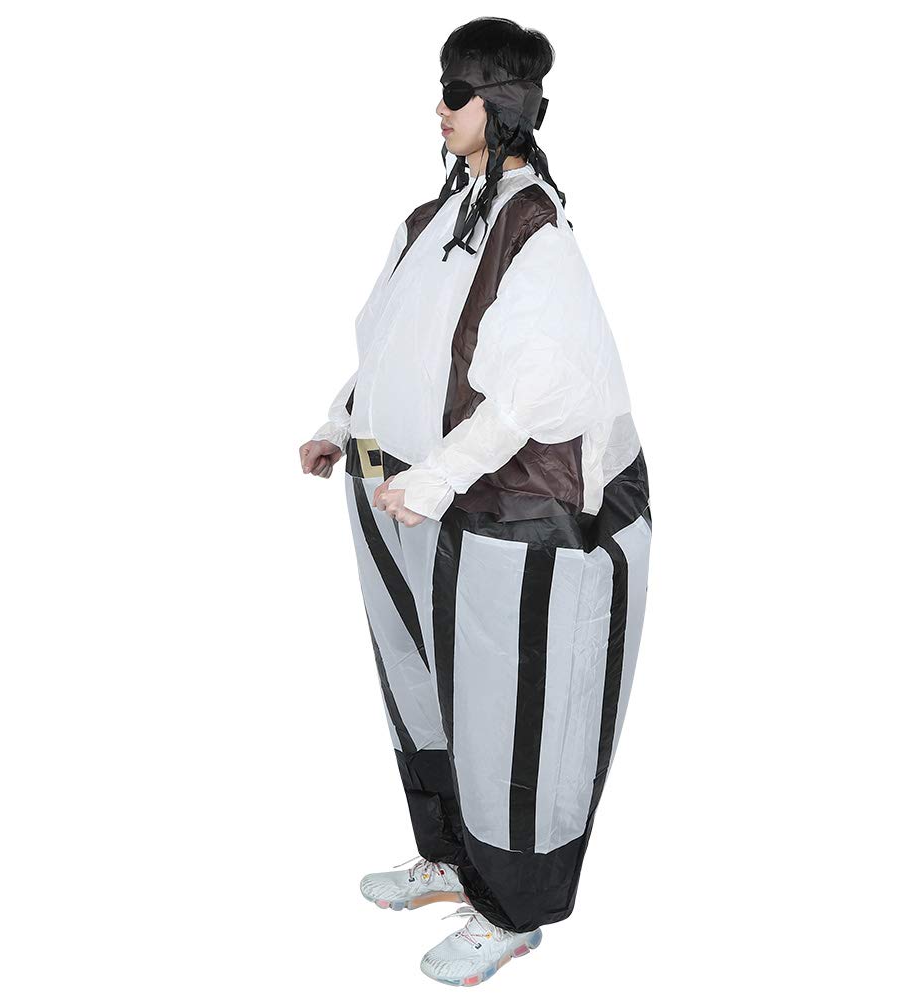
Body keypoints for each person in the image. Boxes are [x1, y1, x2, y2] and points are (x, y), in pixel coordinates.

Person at [298, 17, 651, 988]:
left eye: (454, 94)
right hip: (408, 498)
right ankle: (452, 857)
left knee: (511, 710)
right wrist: (339, 423)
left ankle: (512, 910)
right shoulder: (432, 218)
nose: (438, 109)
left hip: (516, 516)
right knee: (422, 686)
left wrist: (439, 476)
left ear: (496, 106)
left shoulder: (534, 234)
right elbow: (390, 343)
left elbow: (542, 388)